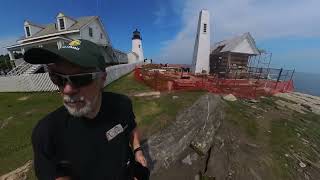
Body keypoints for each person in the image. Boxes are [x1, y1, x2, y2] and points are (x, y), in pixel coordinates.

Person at [24, 39, 148, 180]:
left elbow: (131, 127)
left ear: (103, 78)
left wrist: (138, 151)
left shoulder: (122, 104)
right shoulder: (47, 134)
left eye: (81, 78)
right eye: (57, 78)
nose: (67, 90)